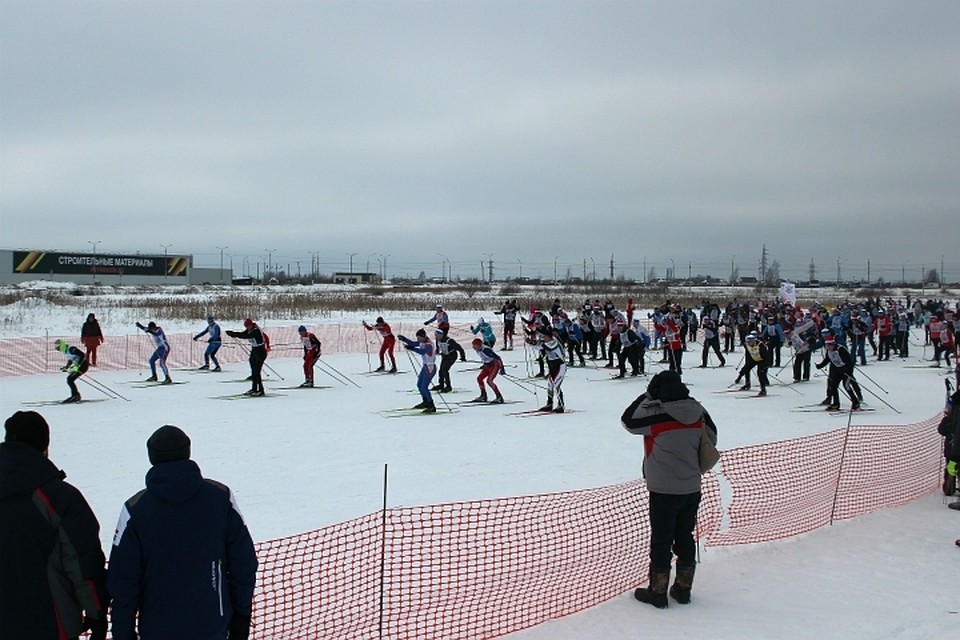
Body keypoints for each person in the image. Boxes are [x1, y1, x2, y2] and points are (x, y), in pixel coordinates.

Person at [107, 425, 258, 640]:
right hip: (213, 626)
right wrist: (241, 617)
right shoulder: (219, 497)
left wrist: (123, 633)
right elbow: (244, 563)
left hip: (158, 630)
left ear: (152, 457)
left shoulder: (136, 509)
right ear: (187, 452)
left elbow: (122, 582)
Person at [0, 411, 109, 640]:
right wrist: (97, 613)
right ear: (44, 447)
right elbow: (82, 563)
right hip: (49, 625)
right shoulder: (59, 497)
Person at [621, 370, 718, 608]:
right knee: (685, 536)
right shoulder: (698, 411)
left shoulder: (656, 414)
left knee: (661, 540)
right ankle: (683, 589)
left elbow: (628, 421)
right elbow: (712, 438)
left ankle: (658, 591)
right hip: (691, 486)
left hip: (663, 489)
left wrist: (647, 395)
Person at [815, 334, 864, 411]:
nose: (827, 347)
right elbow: (827, 360)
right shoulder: (829, 351)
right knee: (833, 387)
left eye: (829, 345)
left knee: (846, 386)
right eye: (826, 345)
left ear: (833, 344)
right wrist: (820, 366)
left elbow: (850, 363)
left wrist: (846, 371)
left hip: (846, 372)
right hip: (837, 371)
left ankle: (856, 403)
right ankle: (835, 404)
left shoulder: (841, 350)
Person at [398, 329, 438, 413]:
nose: (418, 340)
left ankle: (431, 406)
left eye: (419, 338)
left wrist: (412, 348)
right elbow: (413, 343)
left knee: (424, 387)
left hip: (430, 367)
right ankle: (425, 402)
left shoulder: (429, 344)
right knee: (419, 385)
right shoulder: (423, 342)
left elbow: (423, 351)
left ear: (423, 337)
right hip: (425, 366)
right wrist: (404, 339)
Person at [226, 318, 268, 396]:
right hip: (254, 350)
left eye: (248, 326)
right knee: (253, 370)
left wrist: (234, 334)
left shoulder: (255, 331)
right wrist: (233, 333)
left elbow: (246, 336)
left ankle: (261, 390)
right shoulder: (250, 329)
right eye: (246, 326)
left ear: (251, 325)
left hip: (260, 351)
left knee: (257, 371)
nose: (247, 328)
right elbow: (243, 333)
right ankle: (254, 389)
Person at [537, 326, 567, 413]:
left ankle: (561, 405)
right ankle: (549, 404)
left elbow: (549, 347)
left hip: (560, 367)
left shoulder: (554, 343)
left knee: (556, 385)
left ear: (549, 337)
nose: (544, 338)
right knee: (550, 385)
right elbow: (539, 347)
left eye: (545, 337)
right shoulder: (546, 343)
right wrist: (531, 342)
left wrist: (538, 343)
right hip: (552, 367)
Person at [55, 338, 90, 403]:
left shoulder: (71, 349)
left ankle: (75, 396)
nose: (59, 350)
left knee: (70, 379)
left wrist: (77, 366)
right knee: (69, 379)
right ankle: (75, 395)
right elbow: (71, 359)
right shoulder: (65, 351)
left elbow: (83, 355)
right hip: (78, 366)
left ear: (62, 346)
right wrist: (66, 367)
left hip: (83, 366)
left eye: (59, 348)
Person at [471, 337, 505, 403]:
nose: (474, 347)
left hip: (494, 365)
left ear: (479, 345)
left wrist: (502, 368)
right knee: (479, 379)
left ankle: (499, 397)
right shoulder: (478, 349)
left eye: (475, 345)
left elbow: (498, 358)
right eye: (473, 345)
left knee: (489, 381)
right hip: (487, 365)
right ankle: (483, 395)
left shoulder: (486, 350)